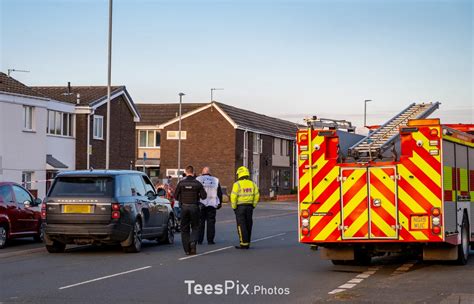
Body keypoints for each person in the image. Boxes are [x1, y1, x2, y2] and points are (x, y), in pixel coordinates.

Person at [174, 166, 207, 255]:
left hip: (184, 207)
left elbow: (175, 196)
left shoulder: (181, 183)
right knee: (195, 226)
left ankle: (187, 249)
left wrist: (182, 199)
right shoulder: (197, 183)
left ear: (185, 172)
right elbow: (204, 196)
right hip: (194, 207)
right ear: (193, 172)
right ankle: (193, 243)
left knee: (184, 228)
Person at [230, 166, 260, 249]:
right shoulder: (252, 184)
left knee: (241, 225)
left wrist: (234, 207)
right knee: (248, 224)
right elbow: (257, 195)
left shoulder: (237, 184)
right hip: (249, 207)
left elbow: (233, 197)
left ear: (239, 174)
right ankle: (247, 242)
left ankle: (243, 243)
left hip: (240, 207)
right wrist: (253, 205)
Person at [196, 167, 223, 245]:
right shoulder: (215, 180)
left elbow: (195, 191)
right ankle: (210, 240)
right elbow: (219, 193)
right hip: (212, 204)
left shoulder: (198, 179)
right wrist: (220, 203)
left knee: (200, 222)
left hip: (201, 203)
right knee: (211, 223)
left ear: (202, 172)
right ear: (210, 172)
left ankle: (199, 240)